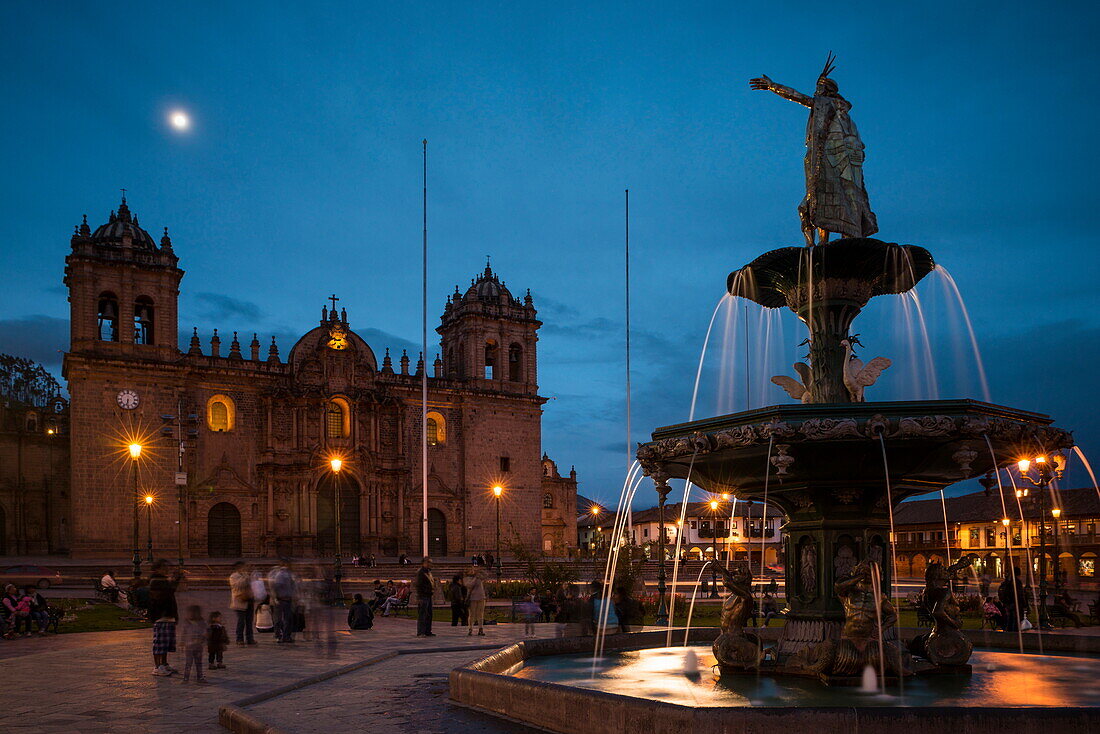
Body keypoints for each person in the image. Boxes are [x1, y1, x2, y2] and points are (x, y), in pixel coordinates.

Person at [148, 559, 182, 677]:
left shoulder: (162, 580)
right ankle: (157, 667)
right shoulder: (155, 580)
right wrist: (176, 579)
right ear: (157, 569)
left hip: (168, 615)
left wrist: (175, 579)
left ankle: (164, 663)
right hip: (161, 615)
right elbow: (166, 593)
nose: (167, 569)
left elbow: (170, 591)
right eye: (164, 567)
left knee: (166, 642)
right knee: (160, 643)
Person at [268, 560, 298, 643]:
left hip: (285, 599)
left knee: (286, 619)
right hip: (282, 599)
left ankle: (285, 636)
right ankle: (281, 636)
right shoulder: (282, 574)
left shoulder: (287, 574)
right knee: (281, 619)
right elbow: (276, 586)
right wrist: (276, 598)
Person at [228, 562, 255, 646]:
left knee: (249, 621)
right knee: (241, 621)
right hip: (240, 601)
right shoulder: (233, 576)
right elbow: (238, 585)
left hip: (249, 599)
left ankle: (250, 639)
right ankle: (239, 639)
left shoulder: (246, 575)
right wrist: (246, 578)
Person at [179, 604, 208, 683]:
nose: (190, 614)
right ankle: (186, 677)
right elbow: (183, 633)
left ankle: (200, 677)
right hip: (189, 647)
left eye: (192, 612)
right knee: (188, 663)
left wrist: (203, 641)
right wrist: (182, 642)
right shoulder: (186, 623)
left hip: (198, 646)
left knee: (198, 663)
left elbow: (205, 633)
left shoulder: (202, 623)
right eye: (189, 612)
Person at [415, 557, 436, 637]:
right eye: (429, 562)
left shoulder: (428, 572)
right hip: (423, 596)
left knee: (429, 614)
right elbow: (419, 585)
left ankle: (427, 631)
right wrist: (420, 597)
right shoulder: (421, 573)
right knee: (422, 614)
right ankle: (421, 632)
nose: (431, 564)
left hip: (428, 595)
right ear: (424, 563)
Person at [463, 566, 487, 636]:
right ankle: (470, 628)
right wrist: (475, 578)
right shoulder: (466, 579)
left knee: (480, 614)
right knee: (472, 614)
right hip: (472, 598)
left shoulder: (478, 576)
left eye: (472, 570)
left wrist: (480, 571)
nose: (472, 571)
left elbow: (485, 575)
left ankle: (481, 628)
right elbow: (469, 585)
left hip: (481, 597)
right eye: (470, 570)